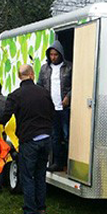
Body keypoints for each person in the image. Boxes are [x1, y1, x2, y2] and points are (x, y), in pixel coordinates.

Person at [0, 64, 54, 214]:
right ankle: (41, 209)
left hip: (29, 140)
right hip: (46, 139)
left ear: (19, 76)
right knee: (40, 175)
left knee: (27, 176)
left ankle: (30, 213)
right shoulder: (44, 92)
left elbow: (5, 117)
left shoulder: (15, 95)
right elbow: (52, 112)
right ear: (33, 75)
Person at [37, 40, 72, 172]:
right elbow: (39, 86)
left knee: (68, 136)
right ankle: (57, 162)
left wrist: (69, 96)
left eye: (56, 54)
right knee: (55, 137)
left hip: (65, 108)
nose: (53, 57)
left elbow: (77, 83)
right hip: (51, 109)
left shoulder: (69, 67)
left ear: (61, 54)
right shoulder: (44, 68)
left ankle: (69, 164)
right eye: (51, 54)